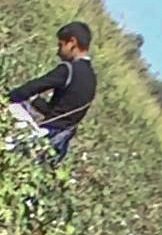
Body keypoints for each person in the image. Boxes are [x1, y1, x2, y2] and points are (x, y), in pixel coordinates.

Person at [8, 20, 97, 161]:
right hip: (58, 144)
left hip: (44, 134)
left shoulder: (68, 69)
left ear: (72, 43)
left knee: (10, 108)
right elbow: (63, 112)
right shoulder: (92, 78)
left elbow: (33, 87)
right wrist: (36, 102)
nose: (58, 52)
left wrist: (6, 98)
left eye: (60, 45)